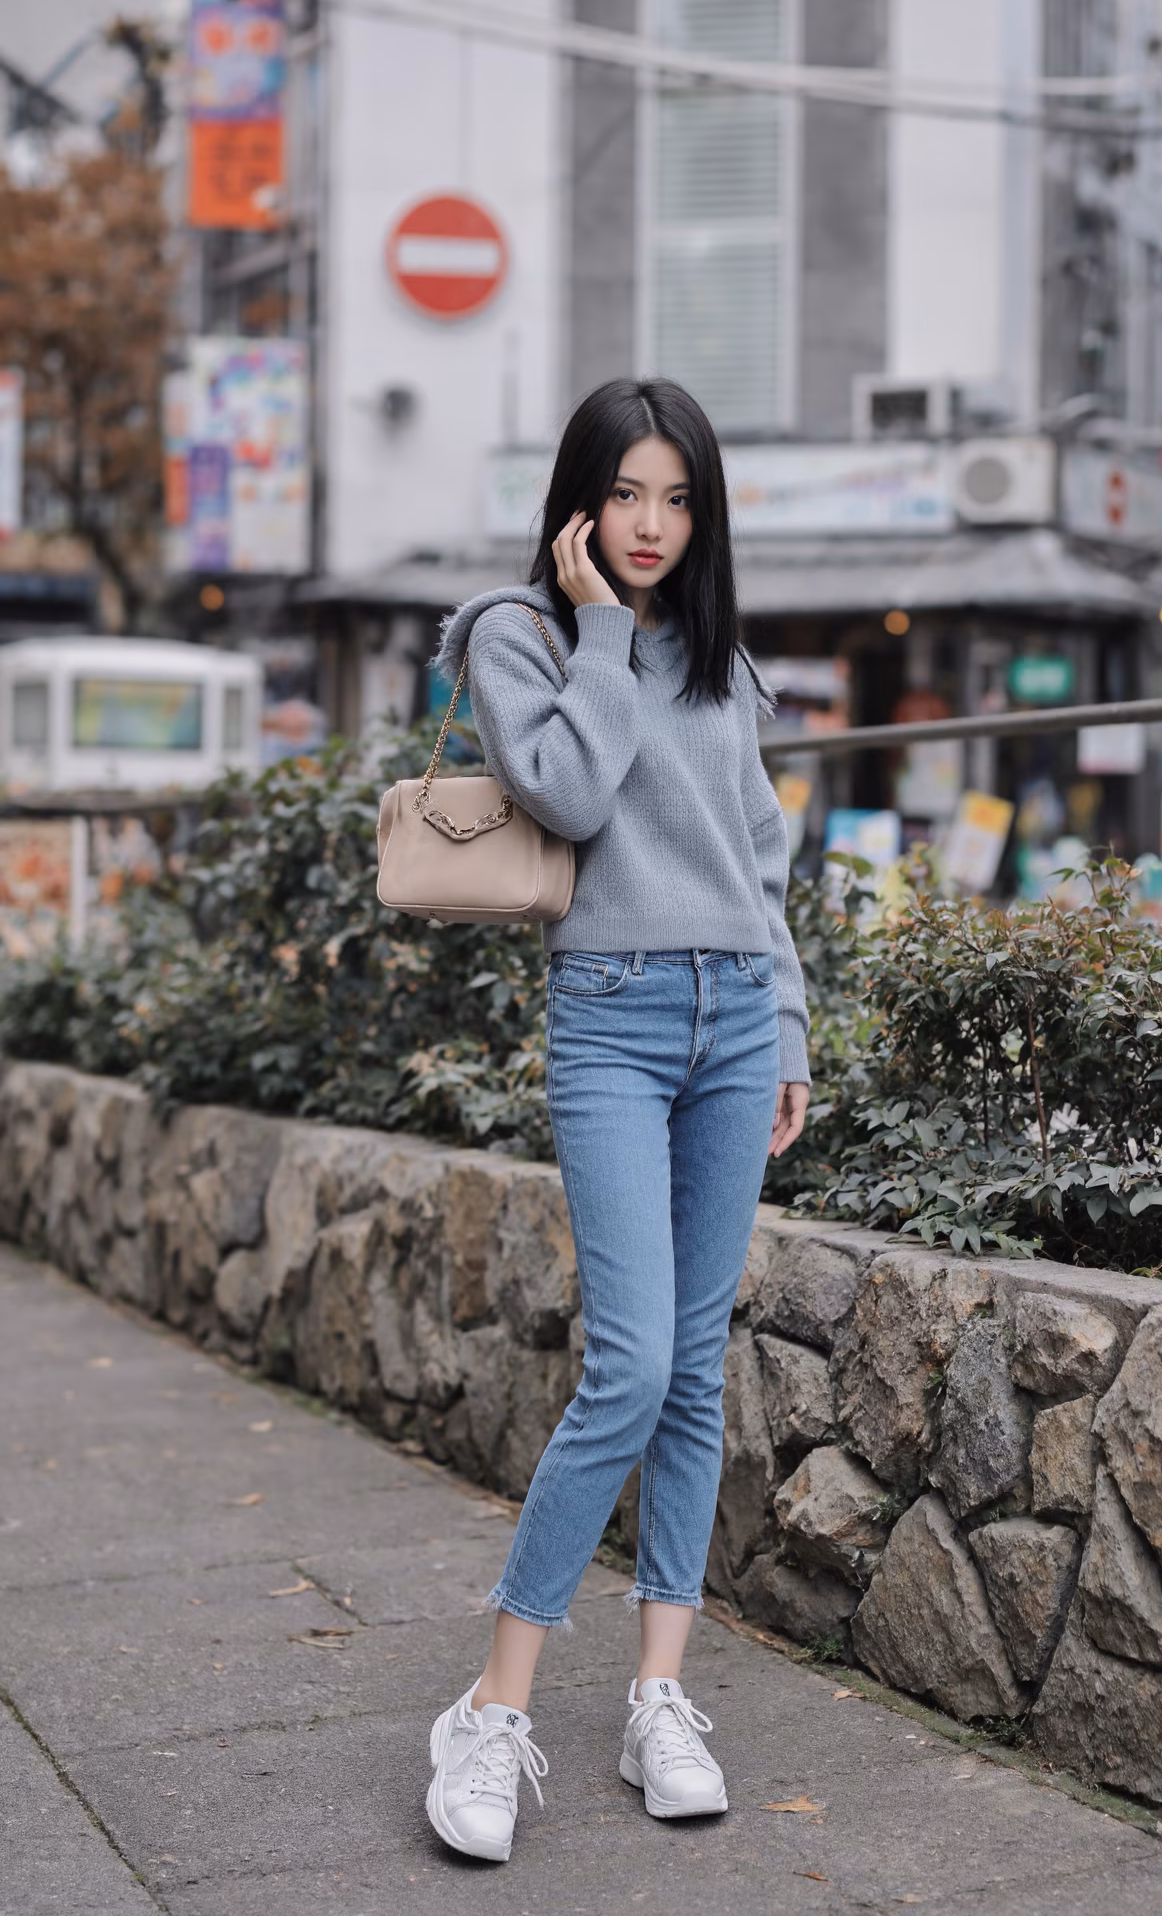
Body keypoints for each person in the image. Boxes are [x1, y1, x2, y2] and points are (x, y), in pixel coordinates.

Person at [424, 376, 811, 1863]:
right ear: (581, 501)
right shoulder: (518, 634)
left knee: (697, 1375)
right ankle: (492, 1706)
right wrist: (595, 625)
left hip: (729, 1020)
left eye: (679, 501)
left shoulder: (719, 654)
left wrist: (783, 1030)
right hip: (614, 1014)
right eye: (629, 495)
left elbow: (757, 857)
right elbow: (576, 797)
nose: (653, 527)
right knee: (634, 1364)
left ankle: (659, 1695)